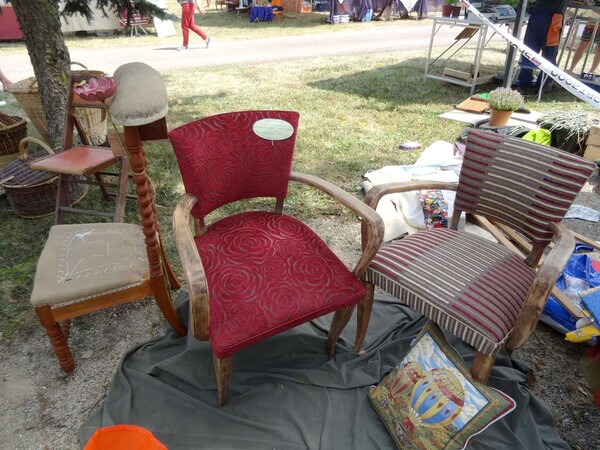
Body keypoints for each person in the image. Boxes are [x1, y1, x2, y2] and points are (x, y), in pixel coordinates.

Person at [517, 0, 569, 94]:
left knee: (529, 51)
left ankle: (524, 84)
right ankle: (543, 84)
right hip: (552, 17)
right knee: (548, 53)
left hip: (539, 15)